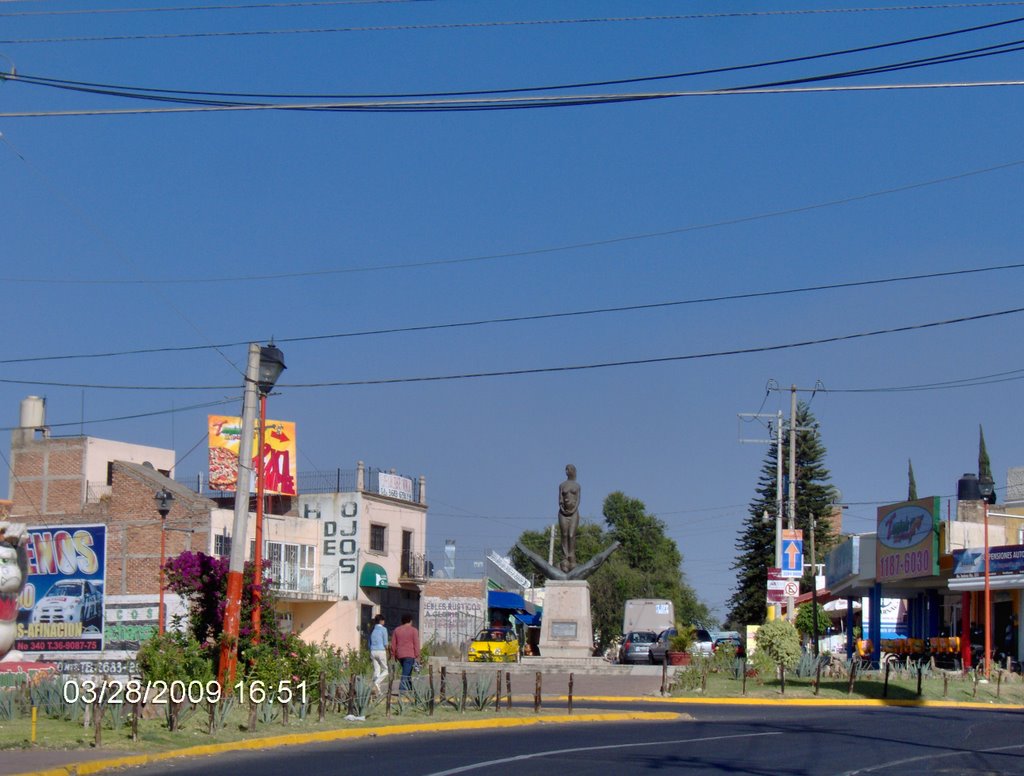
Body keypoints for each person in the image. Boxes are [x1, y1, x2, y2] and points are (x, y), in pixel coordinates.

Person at [558, 464, 581, 572]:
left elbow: (578, 500)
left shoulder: (577, 486)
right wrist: (563, 508)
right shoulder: (562, 485)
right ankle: (564, 558)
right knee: (564, 534)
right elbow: (560, 500)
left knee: (571, 535)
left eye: (569, 469)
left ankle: (572, 557)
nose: (567, 471)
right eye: (566, 469)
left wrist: (573, 510)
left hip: (574, 513)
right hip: (563, 513)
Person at [391, 613, 420, 692]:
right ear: (410, 621)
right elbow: (416, 644)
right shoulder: (414, 630)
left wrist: (393, 655)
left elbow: (393, 643)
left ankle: (410, 689)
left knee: (407, 672)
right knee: (405, 674)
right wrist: (418, 655)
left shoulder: (397, 630)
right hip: (410, 655)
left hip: (400, 655)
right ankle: (402, 691)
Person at [368, 613, 389, 693]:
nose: (384, 622)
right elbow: (386, 643)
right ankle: (377, 682)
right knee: (386, 670)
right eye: (383, 620)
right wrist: (388, 652)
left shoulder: (372, 629)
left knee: (377, 670)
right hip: (381, 651)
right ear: (381, 621)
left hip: (373, 651)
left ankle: (378, 691)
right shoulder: (384, 629)